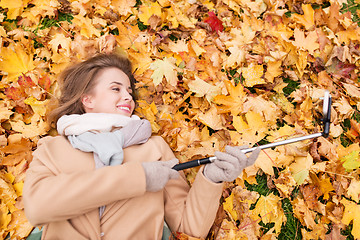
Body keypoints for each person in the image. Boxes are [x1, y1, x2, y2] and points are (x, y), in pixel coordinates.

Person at [23, 53, 260, 240]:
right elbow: (38, 208)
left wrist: (211, 178)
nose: (128, 97)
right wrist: (139, 178)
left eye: (129, 91)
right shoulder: (52, 148)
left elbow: (188, 228)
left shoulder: (154, 148)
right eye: (116, 89)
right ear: (88, 99)